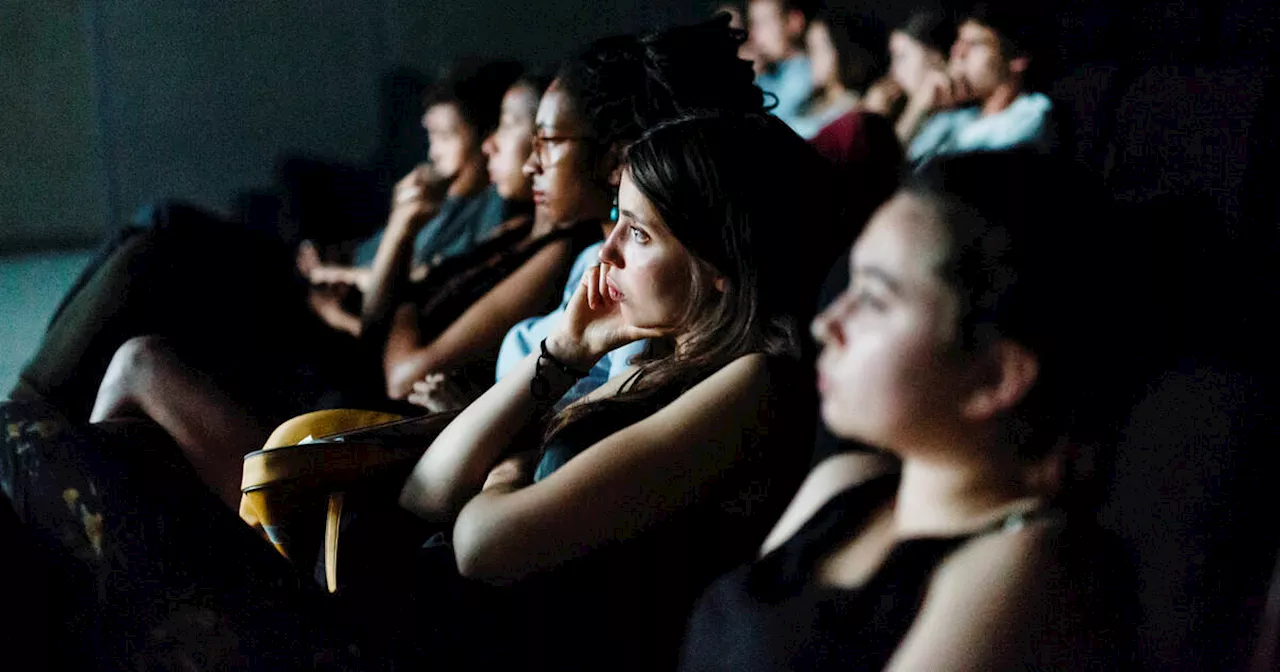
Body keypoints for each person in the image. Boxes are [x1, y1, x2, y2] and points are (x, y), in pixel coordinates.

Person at [1, 109, 830, 671]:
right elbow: (431, 495)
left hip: (398, 643)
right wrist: (562, 354)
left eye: (638, 232)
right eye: (614, 215)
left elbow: (482, 546)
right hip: (389, 586)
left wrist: (510, 470)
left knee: (50, 451)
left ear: (721, 274)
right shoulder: (647, 347)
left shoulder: (752, 384)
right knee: (116, 451)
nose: (605, 249)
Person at [679, 152, 1133, 670]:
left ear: (996, 377)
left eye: (872, 299)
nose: (826, 323)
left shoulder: (1029, 566)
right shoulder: (843, 485)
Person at [902, 3, 1056, 167]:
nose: (957, 54)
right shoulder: (951, 120)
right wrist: (916, 111)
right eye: (959, 41)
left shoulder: (1030, 115)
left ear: (1017, 59)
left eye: (974, 44)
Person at [791, 9, 885, 139]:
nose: (811, 58)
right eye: (810, 48)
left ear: (842, 51)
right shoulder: (812, 100)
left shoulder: (851, 109)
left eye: (818, 49)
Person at [748, 0, 819, 134]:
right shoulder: (772, 75)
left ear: (794, 21)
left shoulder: (807, 75)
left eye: (764, 22)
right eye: (753, 24)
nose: (753, 35)